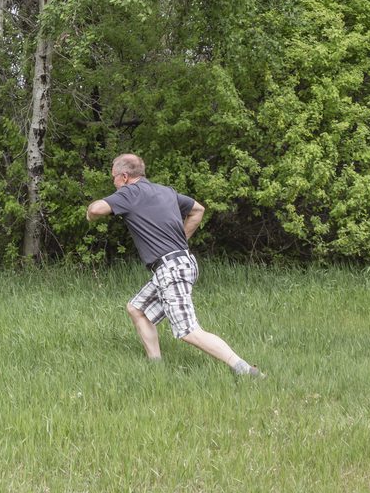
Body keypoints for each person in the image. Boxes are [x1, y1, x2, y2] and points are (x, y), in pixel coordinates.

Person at [86, 153, 264, 377]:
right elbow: (197, 210)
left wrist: (89, 213)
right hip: (180, 263)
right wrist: (181, 241)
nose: (113, 182)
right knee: (137, 308)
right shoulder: (165, 191)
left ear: (124, 177)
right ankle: (156, 366)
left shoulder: (129, 192)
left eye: (113, 178)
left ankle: (245, 369)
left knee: (188, 331)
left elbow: (96, 210)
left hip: (171, 269)